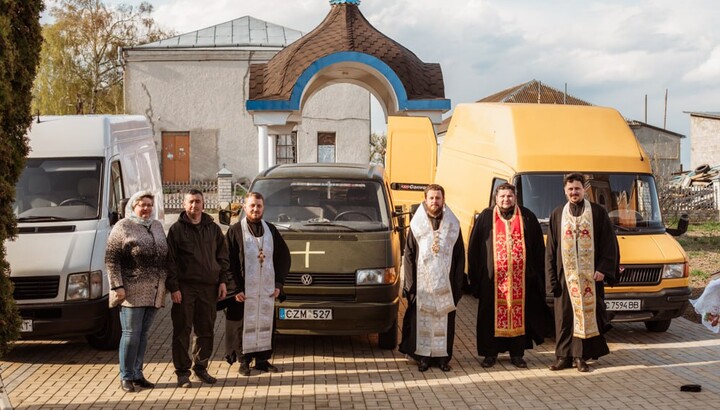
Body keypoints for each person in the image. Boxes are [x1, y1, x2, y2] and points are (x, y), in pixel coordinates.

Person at [467, 183, 547, 369]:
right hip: (491, 282)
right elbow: (474, 249)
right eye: (502, 196)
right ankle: (489, 354)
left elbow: (537, 249)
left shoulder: (527, 216)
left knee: (518, 315)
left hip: (521, 282)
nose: (506, 200)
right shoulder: (486, 217)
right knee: (489, 317)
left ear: (515, 197)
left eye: (509, 196)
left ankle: (517, 354)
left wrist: (536, 275)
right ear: (496, 198)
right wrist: (475, 279)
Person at [546, 173, 618, 372]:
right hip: (565, 278)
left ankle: (580, 357)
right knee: (564, 318)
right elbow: (551, 249)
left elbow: (609, 243)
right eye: (570, 189)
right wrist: (551, 279)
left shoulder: (597, 212)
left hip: (590, 278)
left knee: (585, 316)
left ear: (584, 189)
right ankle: (563, 357)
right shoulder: (558, 213)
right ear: (565, 191)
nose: (574, 192)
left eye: (577, 188)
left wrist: (603, 269)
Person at [166, 189, 230, 387]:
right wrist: (174, 288)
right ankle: (182, 372)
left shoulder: (213, 228)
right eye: (191, 202)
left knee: (206, 330)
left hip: (209, 288)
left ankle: (200, 367)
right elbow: (171, 262)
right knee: (182, 330)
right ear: (184, 205)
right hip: (185, 289)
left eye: (198, 202)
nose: (194, 206)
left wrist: (222, 281)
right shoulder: (176, 230)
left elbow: (223, 257)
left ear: (204, 204)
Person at [105, 191, 168, 392]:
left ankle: (137, 373)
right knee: (131, 334)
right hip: (131, 292)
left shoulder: (156, 226)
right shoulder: (123, 226)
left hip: (154, 291)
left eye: (150, 204)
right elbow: (111, 259)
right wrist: (117, 286)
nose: (147, 208)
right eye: (142, 204)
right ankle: (126, 376)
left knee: (143, 335)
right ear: (133, 206)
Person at [399, 184, 465, 372]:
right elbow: (409, 255)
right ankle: (423, 358)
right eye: (431, 198)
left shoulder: (453, 224)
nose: (435, 201)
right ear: (425, 200)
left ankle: (443, 358)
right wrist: (410, 284)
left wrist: (458, 285)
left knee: (445, 321)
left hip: (447, 283)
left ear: (443, 200)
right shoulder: (417, 224)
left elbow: (460, 256)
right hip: (423, 286)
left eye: (438, 198)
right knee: (423, 321)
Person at [225, 192, 290, 376]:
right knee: (242, 325)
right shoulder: (235, 231)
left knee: (265, 323)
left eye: (259, 206)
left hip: (266, 290)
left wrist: (278, 284)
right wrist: (234, 288)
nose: (255, 209)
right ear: (244, 207)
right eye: (252, 205)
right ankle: (244, 361)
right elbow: (227, 261)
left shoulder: (271, 230)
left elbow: (283, 257)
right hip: (244, 290)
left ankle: (262, 360)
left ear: (263, 208)